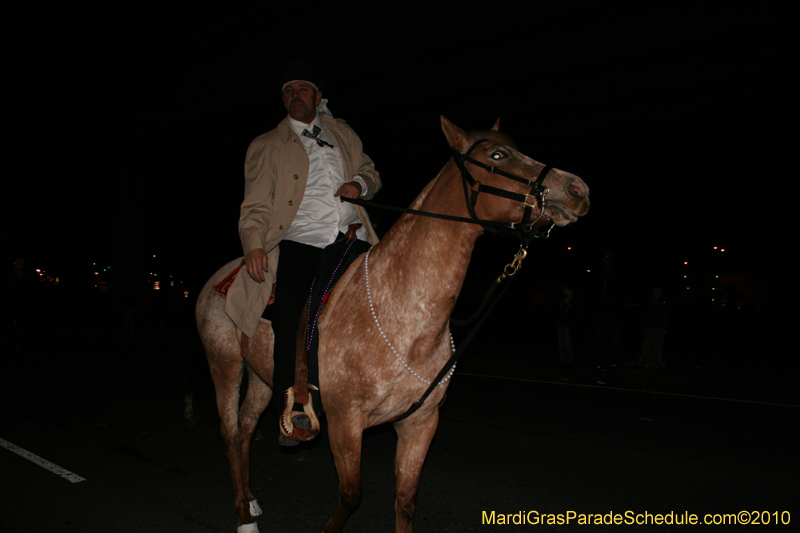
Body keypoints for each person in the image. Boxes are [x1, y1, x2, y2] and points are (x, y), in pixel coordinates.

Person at [223, 61, 381, 446]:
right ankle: (293, 409)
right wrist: (255, 245)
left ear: (317, 97)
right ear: (284, 100)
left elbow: (370, 172)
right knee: (290, 316)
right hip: (302, 240)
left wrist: (359, 184)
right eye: (289, 91)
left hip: (352, 236)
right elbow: (255, 206)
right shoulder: (266, 145)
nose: (296, 95)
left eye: (303, 89)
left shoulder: (342, 132)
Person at [641, 287, 668, 369]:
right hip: (649, 327)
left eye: (657, 293)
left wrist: (665, 328)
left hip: (659, 328)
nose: (655, 294)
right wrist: (643, 327)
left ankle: (657, 364)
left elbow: (666, 317)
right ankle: (649, 361)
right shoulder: (649, 304)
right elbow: (645, 316)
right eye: (654, 292)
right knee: (645, 345)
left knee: (658, 347)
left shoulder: (662, 304)